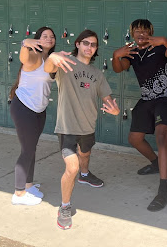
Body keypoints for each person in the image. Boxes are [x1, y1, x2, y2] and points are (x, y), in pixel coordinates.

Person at [45, 29, 120, 230]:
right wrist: (52, 56)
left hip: (88, 125)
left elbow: (107, 99)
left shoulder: (97, 74)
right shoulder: (65, 64)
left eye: (93, 44)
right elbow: (48, 68)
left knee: (84, 155)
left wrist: (114, 109)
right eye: (86, 43)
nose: (89, 47)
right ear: (77, 44)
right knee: (72, 167)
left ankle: (85, 176)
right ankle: (65, 207)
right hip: (67, 127)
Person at [112, 19, 167, 212]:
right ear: (132, 33)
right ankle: (156, 163)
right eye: (137, 31)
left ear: (151, 32)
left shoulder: (158, 47)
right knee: (134, 138)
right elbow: (119, 68)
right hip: (147, 98)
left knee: (161, 136)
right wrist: (116, 55)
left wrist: (165, 41)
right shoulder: (132, 53)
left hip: (165, 97)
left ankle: (163, 189)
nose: (141, 34)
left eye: (144, 31)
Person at [10, 27, 58, 206]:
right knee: (27, 150)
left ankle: (28, 185)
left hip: (39, 110)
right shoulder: (34, 56)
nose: (49, 38)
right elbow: (24, 58)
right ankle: (19, 193)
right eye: (44, 36)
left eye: (52, 36)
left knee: (31, 148)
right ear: (37, 39)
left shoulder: (49, 59)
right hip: (24, 107)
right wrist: (25, 44)